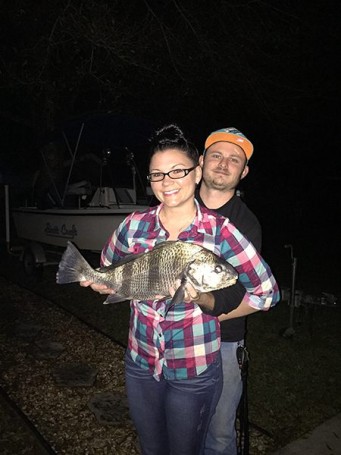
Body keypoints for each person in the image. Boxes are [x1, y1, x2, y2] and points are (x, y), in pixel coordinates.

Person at [81, 124, 280, 455]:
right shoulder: (133, 225)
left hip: (194, 364)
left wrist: (204, 299)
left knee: (198, 444)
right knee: (152, 447)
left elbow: (265, 292)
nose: (167, 181)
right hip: (141, 361)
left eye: (177, 171)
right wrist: (105, 281)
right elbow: (109, 265)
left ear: (195, 171)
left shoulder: (224, 231)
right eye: (157, 174)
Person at [194, 127, 262, 455]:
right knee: (173, 425)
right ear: (201, 160)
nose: (224, 164)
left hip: (225, 342)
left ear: (243, 171)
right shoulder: (173, 207)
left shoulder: (246, 225)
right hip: (171, 341)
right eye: (217, 155)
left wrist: (200, 313)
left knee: (219, 434)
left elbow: (257, 296)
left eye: (234, 160)